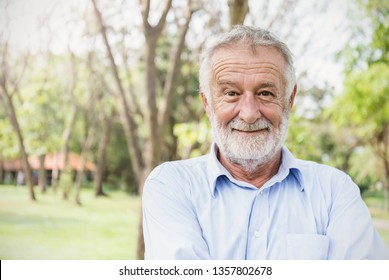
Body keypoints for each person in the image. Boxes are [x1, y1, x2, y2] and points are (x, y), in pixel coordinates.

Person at [142, 25, 389, 260]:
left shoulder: (335, 191)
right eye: (231, 93)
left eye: (265, 93)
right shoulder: (171, 186)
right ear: (207, 103)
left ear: (289, 100)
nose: (249, 114)